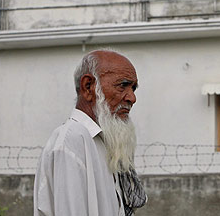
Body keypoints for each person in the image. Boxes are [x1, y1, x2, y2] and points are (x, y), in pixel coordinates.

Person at [34, 50, 147, 216]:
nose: (132, 98)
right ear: (88, 87)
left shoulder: (104, 142)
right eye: (123, 86)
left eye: (133, 88)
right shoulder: (72, 140)